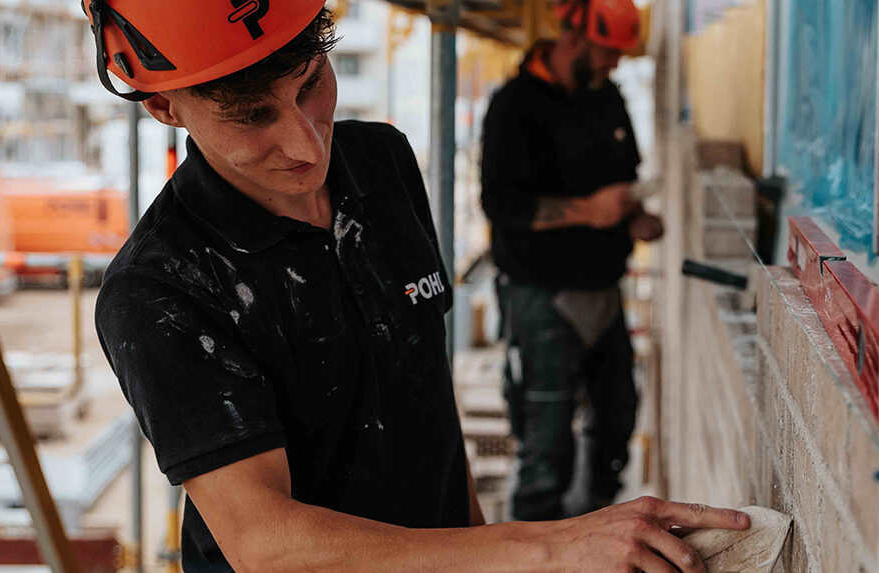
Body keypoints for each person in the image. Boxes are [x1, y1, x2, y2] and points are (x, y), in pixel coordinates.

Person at [87, 1, 741, 570]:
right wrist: (547, 548)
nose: (308, 145)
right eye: (252, 117)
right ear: (164, 105)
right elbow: (267, 544)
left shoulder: (382, 164)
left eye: (311, 84)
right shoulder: (160, 289)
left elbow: (425, 397)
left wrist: (481, 544)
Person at [479, 0, 665, 522]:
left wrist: (634, 218)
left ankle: (597, 529)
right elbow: (502, 204)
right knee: (546, 446)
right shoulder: (515, 105)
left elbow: (623, 182)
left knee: (616, 420)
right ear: (574, 37)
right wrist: (589, 211)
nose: (615, 64)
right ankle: (534, 541)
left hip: (604, 291)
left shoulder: (607, 97)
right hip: (542, 297)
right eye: (608, 52)